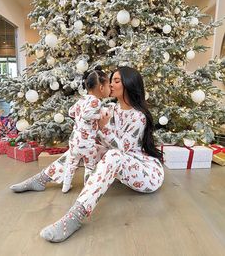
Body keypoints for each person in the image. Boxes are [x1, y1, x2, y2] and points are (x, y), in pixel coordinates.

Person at [10, 66, 164, 243]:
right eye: (110, 80)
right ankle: (42, 179)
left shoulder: (139, 116)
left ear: (130, 84)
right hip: (120, 159)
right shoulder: (110, 108)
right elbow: (93, 133)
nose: (111, 85)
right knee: (85, 147)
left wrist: (103, 128)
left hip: (145, 172)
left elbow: (122, 149)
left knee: (113, 155)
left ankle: (75, 216)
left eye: (116, 81)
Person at [10, 67, 110, 194]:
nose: (110, 87)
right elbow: (86, 115)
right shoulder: (96, 101)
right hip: (87, 142)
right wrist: (98, 116)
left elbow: (71, 112)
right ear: (101, 88)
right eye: (108, 84)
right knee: (89, 166)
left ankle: (65, 186)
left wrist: (79, 119)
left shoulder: (82, 99)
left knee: (72, 164)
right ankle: (87, 189)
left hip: (75, 139)